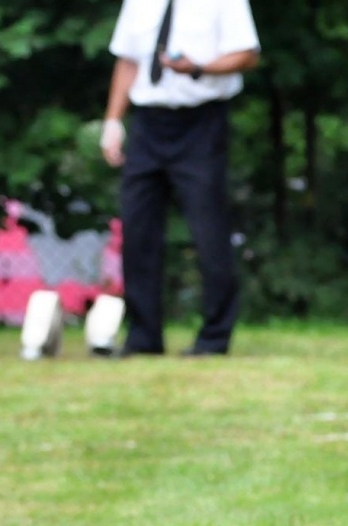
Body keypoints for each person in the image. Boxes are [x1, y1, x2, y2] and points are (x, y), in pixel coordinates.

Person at [101, 0, 259, 357]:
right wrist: (113, 121)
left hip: (201, 122)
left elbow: (248, 55)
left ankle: (214, 337)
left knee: (208, 230)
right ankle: (143, 337)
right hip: (148, 122)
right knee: (137, 229)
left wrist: (198, 67)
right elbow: (127, 60)